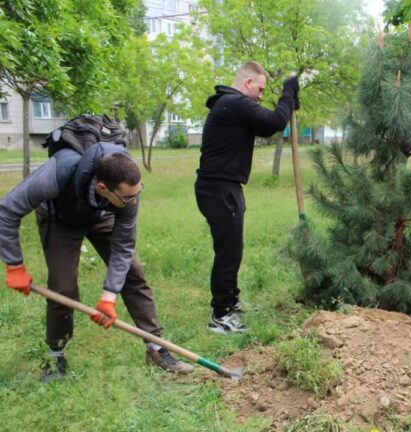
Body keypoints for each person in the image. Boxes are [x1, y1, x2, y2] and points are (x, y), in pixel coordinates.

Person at [0, 143, 193, 382]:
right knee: (63, 287)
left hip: (102, 215)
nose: (134, 200)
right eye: (128, 197)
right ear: (102, 187)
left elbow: (123, 246)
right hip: (60, 219)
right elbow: (7, 211)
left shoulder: (128, 189)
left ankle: (155, 348)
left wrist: (108, 297)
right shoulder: (56, 174)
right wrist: (14, 265)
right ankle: (55, 356)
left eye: (137, 192)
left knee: (133, 271)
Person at [196, 61, 299, 334]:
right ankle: (221, 315)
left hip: (222, 187)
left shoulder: (231, 106)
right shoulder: (235, 103)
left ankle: (231, 300)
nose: (261, 95)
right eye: (261, 89)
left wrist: (290, 104)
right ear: (247, 83)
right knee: (228, 252)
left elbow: (269, 125)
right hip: (218, 188)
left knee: (232, 248)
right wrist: (288, 93)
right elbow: (274, 122)